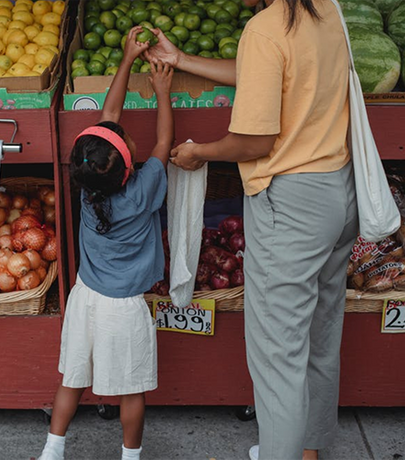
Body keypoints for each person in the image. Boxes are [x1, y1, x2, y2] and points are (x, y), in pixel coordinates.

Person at [145, 0, 358, 459]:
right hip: (338, 192)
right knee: (320, 341)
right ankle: (308, 451)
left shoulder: (265, 28)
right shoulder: (327, 11)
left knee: (278, 358)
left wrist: (200, 152)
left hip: (292, 205)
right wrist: (181, 59)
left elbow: (254, 142)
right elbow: (266, 75)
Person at [38, 27, 174, 460]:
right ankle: (130, 458)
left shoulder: (86, 186)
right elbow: (165, 143)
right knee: (131, 391)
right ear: (127, 163)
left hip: (85, 298)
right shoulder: (143, 187)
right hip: (124, 309)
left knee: (71, 379)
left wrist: (126, 59)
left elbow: (108, 115)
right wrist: (162, 92)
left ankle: (52, 451)